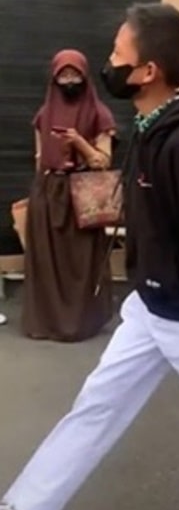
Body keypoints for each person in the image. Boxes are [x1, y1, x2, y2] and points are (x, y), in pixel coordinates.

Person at [0, 3, 179, 510]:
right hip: (151, 306)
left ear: (148, 71)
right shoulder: (151, 129)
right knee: (96, 404)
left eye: (118, 55)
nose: (107, 64)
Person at [22, 49, 117, 342]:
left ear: (85, 76)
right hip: (49, 194)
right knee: (47, 260)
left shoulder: (99, 113)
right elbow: (39, 156)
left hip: (82, 196)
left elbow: (104, 161)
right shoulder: (44, 114)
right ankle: (47, 323)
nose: (69, 79)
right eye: (63, 74)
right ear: (54, 78)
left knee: (80, 261)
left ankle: (79, 323)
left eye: (75, 74)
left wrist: (79, 143)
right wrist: (38, 194)